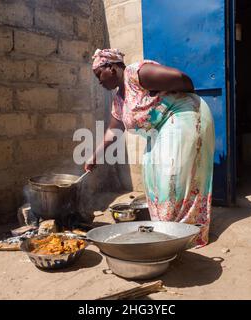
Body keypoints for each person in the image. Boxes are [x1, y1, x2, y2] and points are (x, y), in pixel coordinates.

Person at [85, 49, 215, 247]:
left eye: (98, 75)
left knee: (170, 176)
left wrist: (171, 102)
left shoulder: (137, 73)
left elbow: (182, 79)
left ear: (111, 68)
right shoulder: (119, 99)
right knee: (152, 178)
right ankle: (168, 229)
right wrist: (95, 155)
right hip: (160, 129)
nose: (99, 81)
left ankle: (186, 233)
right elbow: (114, 130)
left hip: (183, 115)